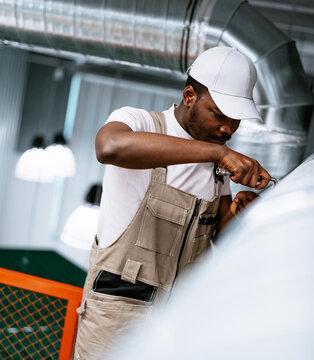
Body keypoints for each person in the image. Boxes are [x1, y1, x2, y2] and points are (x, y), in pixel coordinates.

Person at [73, 46, 271, 360]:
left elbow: (219, 236)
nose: (229, 129)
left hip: (178, 332)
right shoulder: (138, 122)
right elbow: (109, 147)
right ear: (190, 96)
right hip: (116, 329)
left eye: (236, 121)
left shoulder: (217, 167)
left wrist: (239, 210)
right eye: (220, 116)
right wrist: (217, 154)